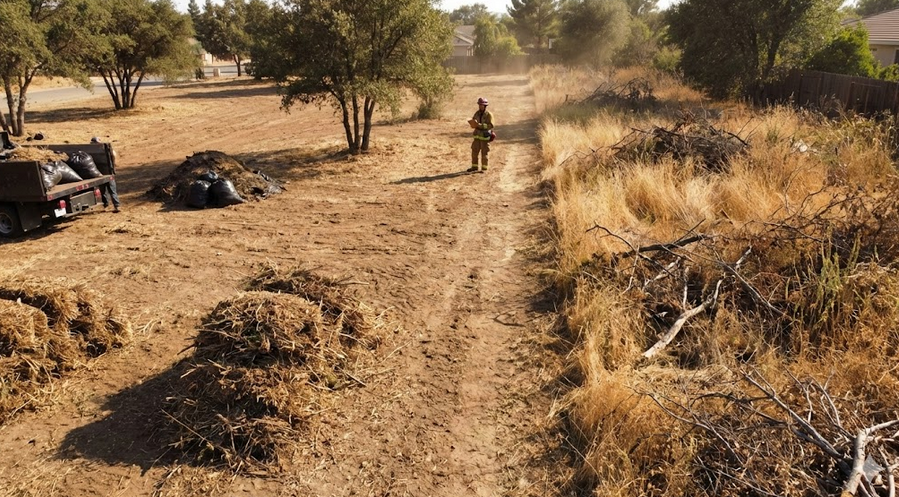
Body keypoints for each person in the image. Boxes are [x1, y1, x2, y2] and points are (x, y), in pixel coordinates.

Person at [91, 136, 121, 213]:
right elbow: (114, 155)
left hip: (100, 173)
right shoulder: (104, 149)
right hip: (106, 172)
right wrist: (113, 166)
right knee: (109, 190)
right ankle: (114, 206)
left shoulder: (91, 151)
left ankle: (109, 205)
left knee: (105, 190)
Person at [468, 97, 494, 172]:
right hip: (477, 137)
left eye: (482, 105)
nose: (480, 106)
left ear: (485, 106)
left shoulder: (489, 115)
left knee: (484, 154)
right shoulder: (476, 113)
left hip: (484, 138)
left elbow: (491, 125)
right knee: (474, 152)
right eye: (479, 105)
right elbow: (473, 120)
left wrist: (480, 125)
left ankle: (484, 168)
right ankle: (474, 167)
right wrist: (473, 123)